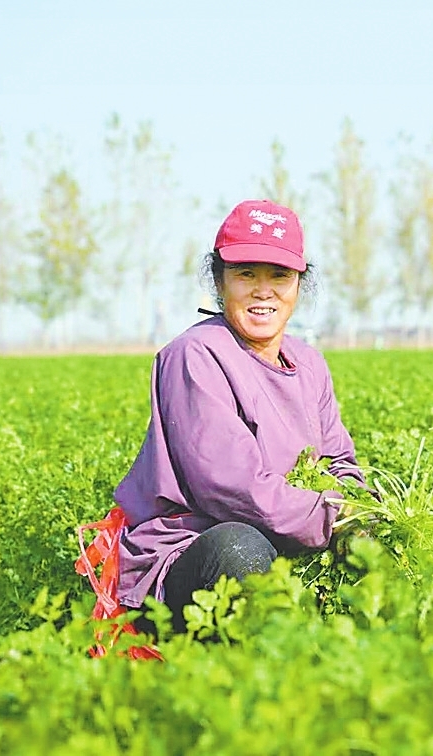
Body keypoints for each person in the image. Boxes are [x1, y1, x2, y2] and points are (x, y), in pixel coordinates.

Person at [112, 198, 366, 634]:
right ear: (220, 280)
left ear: (298, 284)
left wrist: (363, 511)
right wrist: (335, 518)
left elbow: (340, 462)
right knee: (239, 548)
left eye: (279, 275)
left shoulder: (309, 364)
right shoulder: (195, 356)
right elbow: (231, 488)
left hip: (293, 538)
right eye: (246, 274)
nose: (263, 291)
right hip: (195, 555)